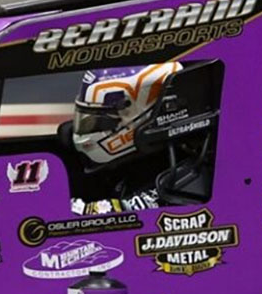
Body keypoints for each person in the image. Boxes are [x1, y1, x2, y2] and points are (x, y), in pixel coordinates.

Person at [68, 62, 183, 214]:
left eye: (99, 122)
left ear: (141, 116)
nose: (86, 131)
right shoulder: (130, 165)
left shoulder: (180, 179)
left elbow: (114, 216)